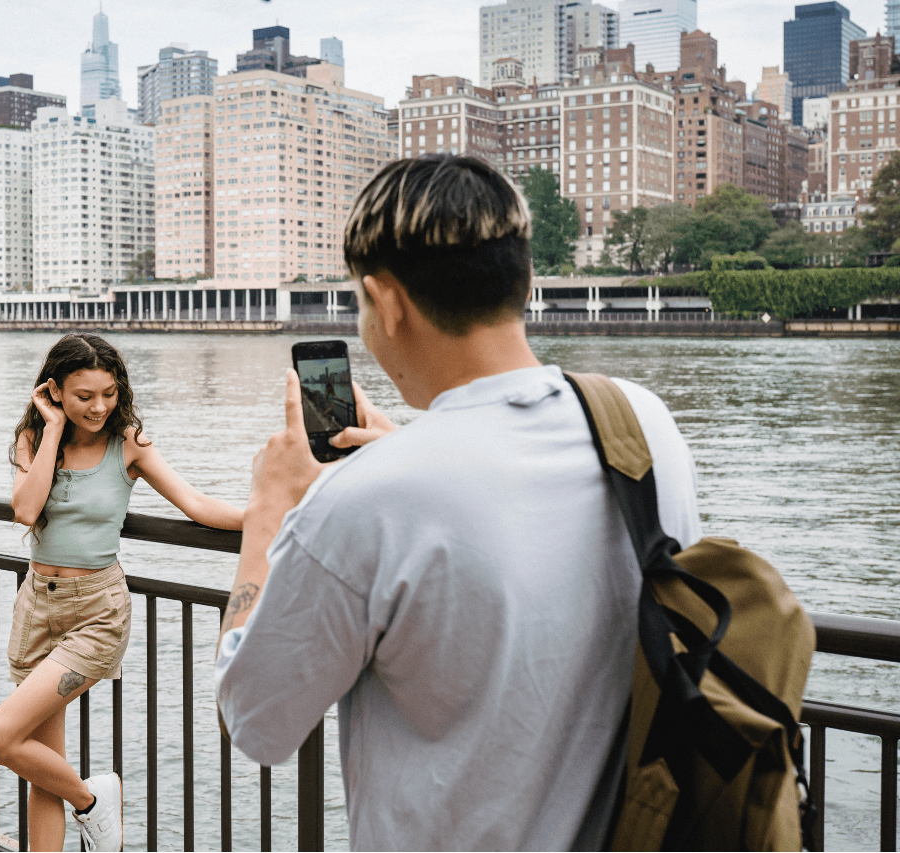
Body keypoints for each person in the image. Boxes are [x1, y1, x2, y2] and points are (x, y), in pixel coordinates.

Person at [213, 155, 703, 851]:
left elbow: (253, 720)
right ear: (524, 279)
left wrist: (269, 515)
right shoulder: (643, 425)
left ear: (386, 302)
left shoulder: (366, 498)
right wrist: (412, 450)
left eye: (359, 303)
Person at [0, 333, 243, 853]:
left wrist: (276, 515)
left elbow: (195, 504)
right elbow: (25, 510)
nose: (99, 407)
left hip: (96, 613)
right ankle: (85, 804)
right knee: (39, 766)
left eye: (108, 393)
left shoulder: (128, 444)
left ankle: (92, 802)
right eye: (83, 396)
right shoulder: (33, 440)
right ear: (53, 391)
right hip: (37, 606)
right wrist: (54, 428)